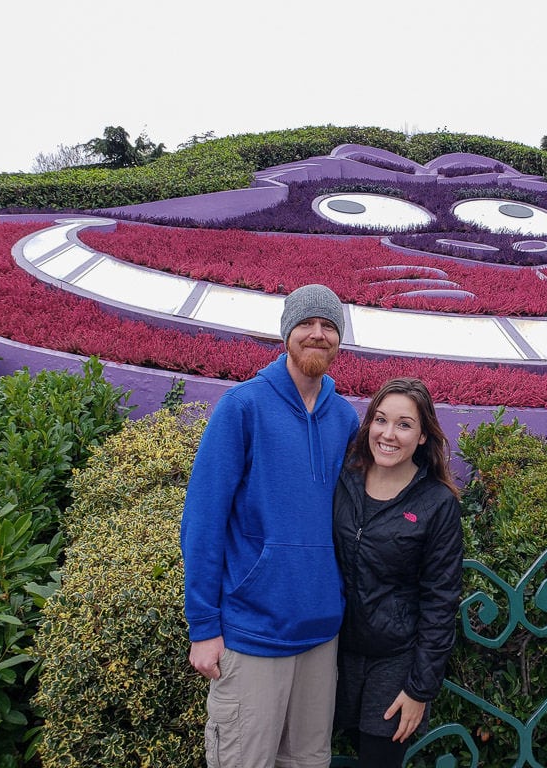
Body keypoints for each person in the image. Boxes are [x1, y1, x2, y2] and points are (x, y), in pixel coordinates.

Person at [180, 284, 360, 768]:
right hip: (253, 632)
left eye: (329, 326)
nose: (318, 335)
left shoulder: (345, 419)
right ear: (286, 333)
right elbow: (203, 518)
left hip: (321, 635)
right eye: (307, 324)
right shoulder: (243, 407)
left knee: (306, 762)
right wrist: (203, 625)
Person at [332, 377, 464, 768]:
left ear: (423, 436)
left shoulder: (436, 503)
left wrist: (419, 689)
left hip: (394, 663)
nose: (388, 434)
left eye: (404, 424)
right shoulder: (345, 478)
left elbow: (441, 601)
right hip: (331, 654)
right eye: (381, 420)